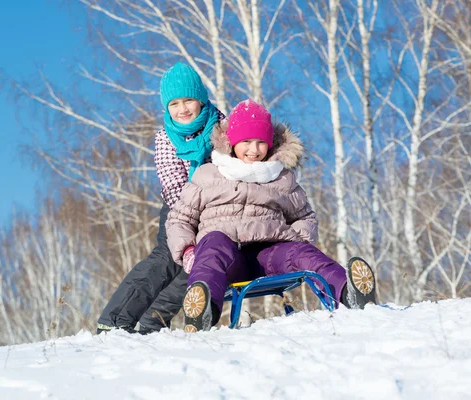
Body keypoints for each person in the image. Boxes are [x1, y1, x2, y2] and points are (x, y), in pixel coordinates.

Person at [166, 99, 377, 332]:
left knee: (302, 253)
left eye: (260, 143)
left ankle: (350, 292)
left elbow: (305, 216)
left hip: (270, 255)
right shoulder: (209, 175)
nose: (254, 150)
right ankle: (203, 311)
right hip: (226, 259)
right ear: (232, 142)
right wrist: (188, 252)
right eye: (246, 142)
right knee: (213, 244)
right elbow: (179, 219)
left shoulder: (281, 178)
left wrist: (298, 239)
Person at [96, 62, 225, 334]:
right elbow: (173, 182)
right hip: (180, 207)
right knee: (167, 258)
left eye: (189, 100)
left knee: (196, 266)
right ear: (167, 108)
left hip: (219, 209)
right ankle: (115, 319)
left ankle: (154, 322)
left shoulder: (221, 128)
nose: (183, 109)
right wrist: (193, 217)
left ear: (201, 100)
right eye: (174, 103)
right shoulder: (166, 138)